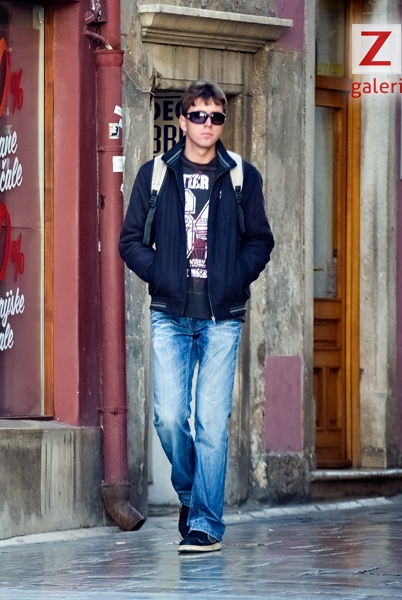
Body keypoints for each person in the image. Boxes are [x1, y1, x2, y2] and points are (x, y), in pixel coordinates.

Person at [119, 80, 274, 553]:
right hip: (170, 313)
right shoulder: (156, 174)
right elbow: (130, 241)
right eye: (199, 116)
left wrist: (234, 278)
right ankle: (190, 494)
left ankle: (205, 524)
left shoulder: (242, 176)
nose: (208, 124)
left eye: (216, 117)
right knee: (169, 418)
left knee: (210, 422)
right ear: (183, 120)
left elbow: (260, 240)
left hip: (222, 316)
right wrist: (162, 274)